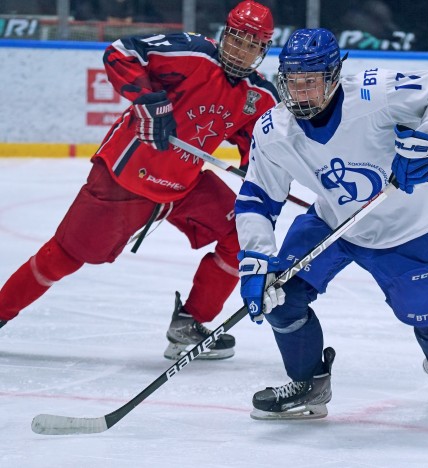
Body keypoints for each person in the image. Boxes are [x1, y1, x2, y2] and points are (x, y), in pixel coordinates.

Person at [234, 28, 428, 420]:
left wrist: (425, 138)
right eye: (293, 82)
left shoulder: (377, 94)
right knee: (279, 293)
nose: (301, 92)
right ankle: (309, 384)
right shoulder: (274, 130)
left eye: (311, 81)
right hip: (332, 223)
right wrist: (256, 258)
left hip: (408, 230)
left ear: (334, 76)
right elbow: (257, 197)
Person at [0, 1, 279, 361]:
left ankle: (188, 325)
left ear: (264, 50)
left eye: (254, 45)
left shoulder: (258, 95)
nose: (243, 51)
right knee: (64, 257)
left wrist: (257, 172)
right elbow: (121, 52)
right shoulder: (191, 54)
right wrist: (149, 101)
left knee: (242, 233)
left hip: (185, 184)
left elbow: (256, 143)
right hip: (126, 181)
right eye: (239, 39)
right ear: (226, 34)